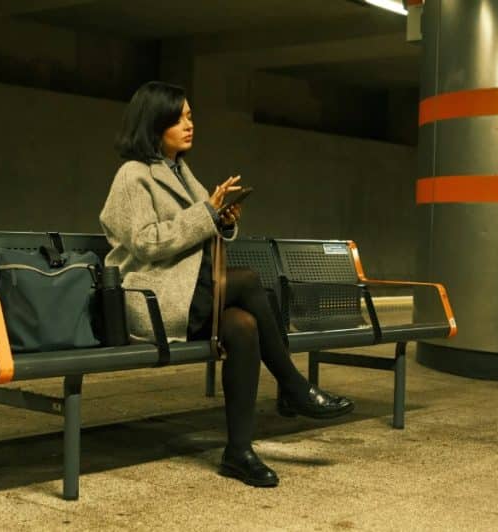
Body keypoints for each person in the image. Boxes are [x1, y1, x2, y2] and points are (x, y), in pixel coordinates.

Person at [99, 81, 354, 488]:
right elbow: (148, 243)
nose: (189, 125)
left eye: (190, 116)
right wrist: (207, 214)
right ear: (154, 122)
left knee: (244, 326)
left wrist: (223, 221)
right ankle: (293, 386)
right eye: (179, 117)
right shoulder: (133, 176)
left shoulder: (180, 171)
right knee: (252, 282)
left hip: (188, 292)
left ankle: (239, 452)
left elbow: (200, 229)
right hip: (154, 297)